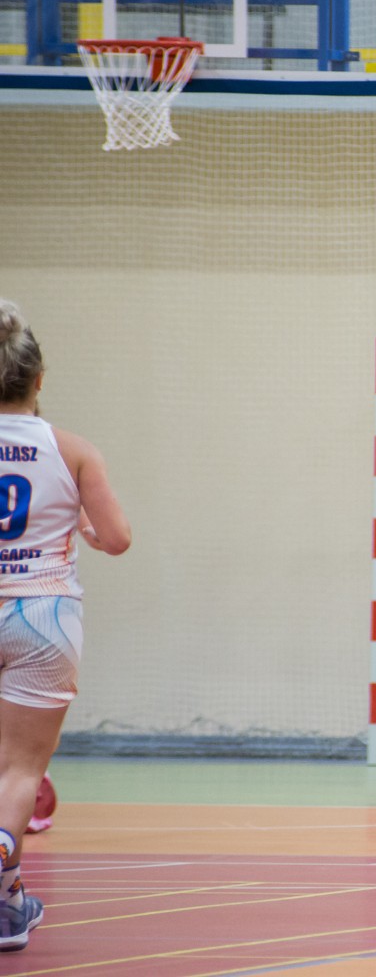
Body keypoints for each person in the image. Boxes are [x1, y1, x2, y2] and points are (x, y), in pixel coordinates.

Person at [0, 300, 131, 950]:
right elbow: (118, 538)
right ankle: (5, 897)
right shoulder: (73, 451)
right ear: (39, 379)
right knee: (19, 772)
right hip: (42, 615)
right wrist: (83, 526)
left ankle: (8, 900)